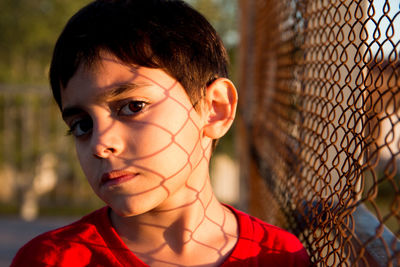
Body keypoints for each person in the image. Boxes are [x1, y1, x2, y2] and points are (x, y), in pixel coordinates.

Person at [11, 0, 310, 266]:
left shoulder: (278, 256)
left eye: (132, 106)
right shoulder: (50, 259)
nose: (100, 144)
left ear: (214, 108)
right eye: (82, 125)